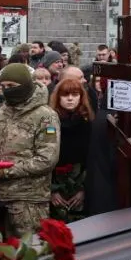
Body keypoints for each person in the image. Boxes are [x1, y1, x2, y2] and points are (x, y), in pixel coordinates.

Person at [0, 63, 61, 238]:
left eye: (12, 86)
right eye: (3, 86)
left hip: (28, 202)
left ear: (25, 86)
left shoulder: (45, 116)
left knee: (28, 255)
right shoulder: (0, 114)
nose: (7, 90)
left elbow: (47, 159)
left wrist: (6, 171)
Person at [48, 77, 94, 222]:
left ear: (81, 97)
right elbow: (44, 157)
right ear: (58, 97)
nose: (70, 99)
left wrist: (84, 190)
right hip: (54, 183)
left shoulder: (88, 123)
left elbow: (93, 160)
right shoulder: (50, 123)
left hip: (80, 185)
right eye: (65, 95)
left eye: (74, 95)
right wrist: (52, 190)